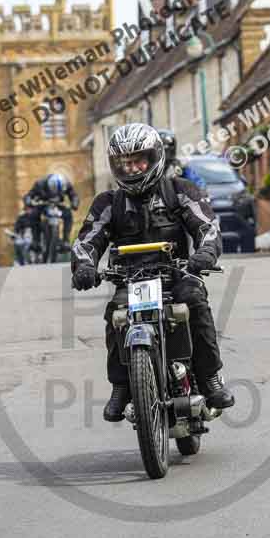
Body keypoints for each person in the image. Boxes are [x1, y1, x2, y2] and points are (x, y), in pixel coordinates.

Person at [71, 123, 235, 422]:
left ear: (155, 157)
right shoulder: (108, 203)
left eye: (139, 160)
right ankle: (121, 385)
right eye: (125, 162)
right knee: (116, 315)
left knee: (194, 303)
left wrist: (205, 254)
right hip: (132, 279)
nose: (132, 168)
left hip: (177, 275)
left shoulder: (180, 190)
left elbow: (207, 227)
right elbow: (87, 240)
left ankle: (210, 377)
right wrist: (84, 266)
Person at [26, 173, 79, 254]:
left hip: (58, 205)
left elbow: (73, 195)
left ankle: (66, 241)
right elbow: (29, 195)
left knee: (68, 214)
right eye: (54, 190)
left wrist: (74, 203)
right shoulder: (39, 184)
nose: (55, 193)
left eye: (59, 191)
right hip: (43, 204)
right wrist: (28, 201)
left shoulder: (66, 184)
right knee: (33, 214)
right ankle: (35, 241)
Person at [13, 197, 35, 265]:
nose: (29, 210)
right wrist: (15, 234)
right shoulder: (22, 217)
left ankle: (32, 258)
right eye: (27, 208)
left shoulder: (36, 216)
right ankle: (20, 261)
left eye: (30, 208)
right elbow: (17, 227)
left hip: (35, 237)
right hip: (24, 236)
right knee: (18, 243)